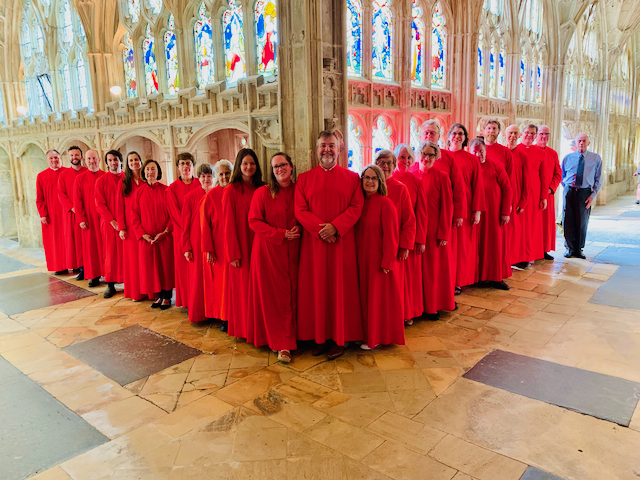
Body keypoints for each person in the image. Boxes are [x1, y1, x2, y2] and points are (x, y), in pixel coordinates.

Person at [295, 130, 364, 359]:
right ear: (316, 149)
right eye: (323, 145)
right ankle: (320, 337)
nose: (327, 150)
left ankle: (340, 339)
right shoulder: (304, 179)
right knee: (317, 291)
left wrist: (335, 227)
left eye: (331, 145)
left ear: (340, 148)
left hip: (342, 246)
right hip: (314, 247)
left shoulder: (353, 178)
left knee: (340, 293)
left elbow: (356, 207)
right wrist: (322, 231)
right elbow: (300, 210)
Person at [247, 153, 301, 362]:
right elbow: (254, 221)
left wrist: (301, 226)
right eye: (275, 166)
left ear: (291, 166)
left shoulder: (300, 190)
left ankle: (296, 337)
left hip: (295, 251)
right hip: (269, 252)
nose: (280, 169)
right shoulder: (262, 193)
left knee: (295, 295)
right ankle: (282, 344)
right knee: (275, 299)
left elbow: (306, 213)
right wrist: (280, 234)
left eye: (283, 165)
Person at [356, 164, 404, 350]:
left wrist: (387, 261)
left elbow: (392, 235)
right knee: (365, 298)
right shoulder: (360, 203)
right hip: (362, 258)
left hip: (378, 260)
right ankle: (366, 333)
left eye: (373, 178)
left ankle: (375, 337)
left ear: (380, 181)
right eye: (366, 178)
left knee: (376, 300)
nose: (369, 181)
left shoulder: (385, 203)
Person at [375, 149, 422, 326]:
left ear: (394, 166)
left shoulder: (401, 189)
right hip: (373, 245)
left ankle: (397, 317)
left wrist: (405, 246)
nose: (385, 166)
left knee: (395, 285)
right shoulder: (369, 185)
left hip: (394, 246)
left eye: (389, 163)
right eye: (381, 162)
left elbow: (410, 221)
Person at [223, 148, 264, 338]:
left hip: (262, 246)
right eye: (245, 164)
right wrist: (233, 254)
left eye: (252, 163)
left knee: (260, 290)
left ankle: (260, 328)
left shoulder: (262, 188)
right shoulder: (231, 191)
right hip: (241, 247)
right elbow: (228, 225)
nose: (249, 167)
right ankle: (245, 329)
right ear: (239, 166)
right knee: (243, 291)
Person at [414, 142, 454, 320]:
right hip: (414, 229)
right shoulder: (412, 174)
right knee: (416, 270)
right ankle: (416, 305)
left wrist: (443, 233)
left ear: (436, 157)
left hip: (434, 231)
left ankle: (432, 306)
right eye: (424, 154)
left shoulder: (442, 176)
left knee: (432, 270)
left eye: (431, 155)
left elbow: (448, 206)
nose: (427, 158)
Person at [130, 159, 174, 309]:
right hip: (147, 239)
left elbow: (172, 215)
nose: (150, 172)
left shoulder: (167, 190)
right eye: (147, 169)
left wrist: (166, 231)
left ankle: (167, 296)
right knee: (152, 268)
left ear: (158, 172)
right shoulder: (138, 193)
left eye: (153, 169)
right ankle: (159, 296)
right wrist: (143, 234)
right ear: (144, 172)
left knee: (165, 267)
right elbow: (134, 216)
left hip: (164, 237)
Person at [392, 144, 427, 325]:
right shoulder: (386, 179)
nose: (405, 161)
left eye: (408, 158)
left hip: (409, 236)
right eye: (401, 157)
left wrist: (419, 239)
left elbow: (420, 213)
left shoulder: (416, 182)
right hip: (390, 236)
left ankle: (408, 313)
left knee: (409, 278)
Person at [470, 138, 512, 289]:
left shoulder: (496, 165)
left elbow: (507, 188)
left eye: (481, 151)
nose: (478, 154)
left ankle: (495, 277)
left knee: (494, 245)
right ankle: (476, 277)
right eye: (474, 151)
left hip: (494, 214)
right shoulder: (468, 167)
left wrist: (505, 211)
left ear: (485, 151)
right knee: (476, 246)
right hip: (474, 215)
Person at [447, 123, 484, 290]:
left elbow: (478, 185)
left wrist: (476, 210)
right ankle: (448, 280)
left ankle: (459, 281)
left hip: (466, 207)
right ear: (448, 136)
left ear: (465, 138)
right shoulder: (442, 156)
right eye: (454, 133)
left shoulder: (471, 159)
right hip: (447, 207)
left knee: (462, 247)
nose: (457, 136)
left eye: (460, 133)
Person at [201, 160, 233, 329]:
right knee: (222, 285)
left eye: (227, 173)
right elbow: (205, 225)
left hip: (236, 245)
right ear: (216, 177)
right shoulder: (211, 196)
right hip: (219, 248)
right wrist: (208, 249)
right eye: (221, 174)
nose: (224, 177)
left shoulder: (236, 191)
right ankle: (224, 317)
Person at [167, 153, 201, 309]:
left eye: (188, 163)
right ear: (178, 167)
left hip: (201, 234)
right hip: (182, 235)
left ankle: (201, 301)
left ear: (193, 165)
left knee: (199, 271)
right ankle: (188, 302)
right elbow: (175, 215)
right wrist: (189, 232)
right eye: (182, 163)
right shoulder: (172, 189)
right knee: (185, 270)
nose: (186, 167)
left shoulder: (201, 184)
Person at [561, 133, 602, 259]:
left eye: (584, 141)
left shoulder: (595, 159)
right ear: (575, 142)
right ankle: (569, 248)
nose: (581, 143)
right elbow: (562, 176)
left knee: (582, 221)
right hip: (569, 191)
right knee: (567, 220)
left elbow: (598, 179)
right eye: (579, 141)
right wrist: (568, 189)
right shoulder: (568, 158)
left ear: (588, 143)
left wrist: (592, 196)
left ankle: (579, 249)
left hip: (585, 192)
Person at [182, 164, 215, 323]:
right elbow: (185, 225)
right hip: (196, 243)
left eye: (209, 176)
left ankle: (215, 313)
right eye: (203, 176)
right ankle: (199, 314)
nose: (206, 179)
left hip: (216, 243)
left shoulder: (219, 194)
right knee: (198, 279)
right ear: (198, 178)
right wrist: (186, 247)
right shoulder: (190, 197)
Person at [516, 124, 549, 263]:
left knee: (531, 226)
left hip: (534, 193)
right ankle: (517, 256)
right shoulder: (515, 150)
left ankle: (529, 255)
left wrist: (544, 197)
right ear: (521, 134)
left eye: (532, 133)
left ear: (535, 136)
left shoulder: (540, 152)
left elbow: (544, 176)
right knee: (518, 225)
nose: (529, 135)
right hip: (519, 190)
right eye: (527, 132)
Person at [116, 152, 146, 301]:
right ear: (127, 164)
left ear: (141, 161)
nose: (134, 162)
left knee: (146, 260)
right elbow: (119, 206)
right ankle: (136, 292)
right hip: (130, 226)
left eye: (136, 159)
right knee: (133, 261)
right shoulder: (123, 182)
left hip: (145, 225)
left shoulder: (146, 179)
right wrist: (121, 227)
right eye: (131, 160)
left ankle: (149, 291)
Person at [94, 150, 124, 298]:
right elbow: (99, 204)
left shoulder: (127, 179)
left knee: (127, 254)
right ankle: (110, 284)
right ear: (106, 162)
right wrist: (113, 222)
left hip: (126, 223)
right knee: (110, 253)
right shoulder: (101, 180)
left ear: (121, 161)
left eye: (116, 159)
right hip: (108, 223)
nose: (113, 162)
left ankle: (129, 282)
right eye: (110, 160)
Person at [73, 150, 105, 287]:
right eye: (89, 158)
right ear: (85, 160)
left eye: (94, 158)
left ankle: (109, 275)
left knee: (106, 248)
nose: (92, 161)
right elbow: (77, 200)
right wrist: (81, 218)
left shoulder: (105, 176)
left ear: (99, 159)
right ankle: (94, 275)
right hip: (89, 219)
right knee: (91, 248)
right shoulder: (80, 178)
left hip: (104, 219)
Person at [36, 150, 68, 274]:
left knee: (69, 239)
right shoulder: (41, 176)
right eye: (51, 158)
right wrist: (43, 214)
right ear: (47, 160)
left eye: (56, 157)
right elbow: (39, 198)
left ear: (60, 158)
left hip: (67, 212)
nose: (54, 160)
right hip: (52, 214)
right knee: (54, 241)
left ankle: (74, 264)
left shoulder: (67, 172)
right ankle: (59, 266)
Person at [57, 146, 86, 279]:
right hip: (72, 214)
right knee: (77, 242)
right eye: (72, 155)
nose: (74, 157)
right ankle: (81, 268)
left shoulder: (87, 172)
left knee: (88, 241)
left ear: (81, 157)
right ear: (69, 157)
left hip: (87, 213)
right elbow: (61, 194)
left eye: (77, 155)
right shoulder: (63, 175)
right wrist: (74, 208)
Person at [505, 124, 529, 268]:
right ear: (505, 135)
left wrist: (523, 201)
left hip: (516, 198)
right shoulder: (501, 152)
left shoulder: (522, 155)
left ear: (519, 135)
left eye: (515, 133)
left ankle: (515, 258)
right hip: (501, 198)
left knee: (516, 231)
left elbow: (528, 181)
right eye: (510, 133)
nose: (512, 136)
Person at [537, 126, 562, 260]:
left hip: (547, 194)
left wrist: (550, 189)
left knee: (545, 224)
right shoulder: (531, 151)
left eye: (546, 134)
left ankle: (543, 250)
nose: (544, 137)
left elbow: (558, 174)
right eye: (541, 134)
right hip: (533, 195)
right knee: (534, 224)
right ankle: (532, 250)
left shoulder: (553, 153)